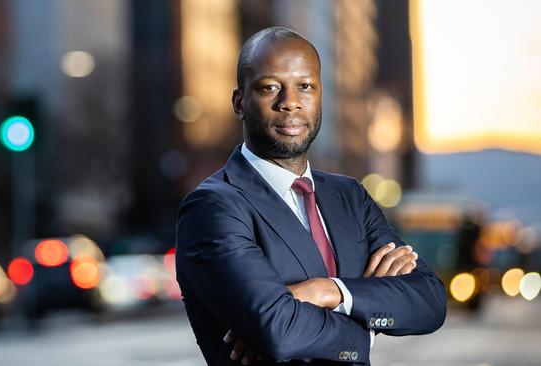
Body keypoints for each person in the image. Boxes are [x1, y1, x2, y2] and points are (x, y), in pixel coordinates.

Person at [175, 26, 446, 366]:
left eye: (305, 86)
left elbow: (429, 301)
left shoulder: (349, 197)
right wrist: (365, 324)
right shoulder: (213, 207)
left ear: (320, 97)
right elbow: (277, 329)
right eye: (270, 87)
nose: (290, 102)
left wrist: (328, 291)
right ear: (240, 102)